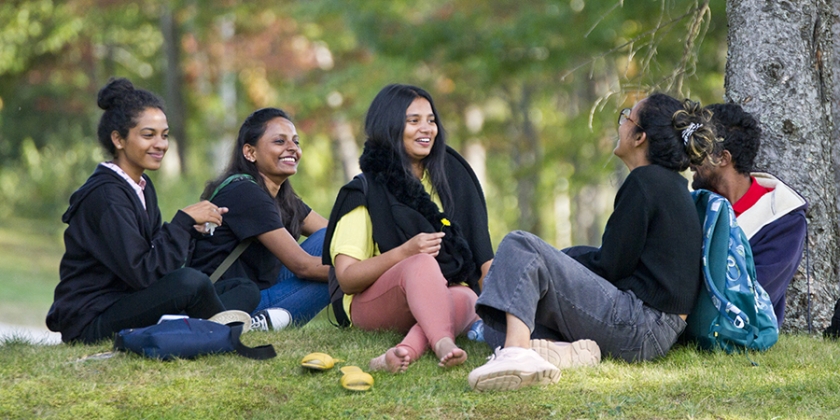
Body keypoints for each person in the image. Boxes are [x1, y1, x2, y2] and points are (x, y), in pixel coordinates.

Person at [468, 93, 718, 392]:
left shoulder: (646, 182)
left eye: (627, 117)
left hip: (643, 325)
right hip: (654, 333)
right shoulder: (669, 185)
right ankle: (562, 353)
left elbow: (611, 266)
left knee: (520, 244)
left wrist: (557, 262)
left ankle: (517, 356)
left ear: (640, 137)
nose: (621, 123)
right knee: (501, 323)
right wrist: (562, 262)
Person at [46, 78, 259, 344]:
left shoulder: (142, 187)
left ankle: (197, 327)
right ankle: (217, 332)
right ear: (119, 139)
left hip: (129, 300)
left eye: (164, 135)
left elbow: (155, 259)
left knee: (243, 287)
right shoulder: (106, 196)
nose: (160, 144)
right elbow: (143, 272)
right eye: (148, 135)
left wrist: (190, 231)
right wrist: (181, 223)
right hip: (92, 319)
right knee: (190, 283)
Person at [322, 84, 494, 373]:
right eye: (413, 121)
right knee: (421, 264)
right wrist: (405, 252)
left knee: (466, 296)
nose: (426, 128)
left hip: (444, 295)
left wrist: (499, 317)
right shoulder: (364, 190)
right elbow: (348, 278)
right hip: (377, 301)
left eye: (431, 120)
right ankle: (442, 341)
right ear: (389, 126)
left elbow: (482, 255)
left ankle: (403, 352)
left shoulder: (453, 177)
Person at [190, 108, 331, 330]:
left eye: (296, 141)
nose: (292, 148)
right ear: (250, 152)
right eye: (279, 141)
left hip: (257, 292)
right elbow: (303, 267)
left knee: (331, 240)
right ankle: (253, 324)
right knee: (340, 276)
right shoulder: (245, 193)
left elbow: (336, 234)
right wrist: (361, 272)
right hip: (229, 306)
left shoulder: (279, 194)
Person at [690, 103, 807, 328]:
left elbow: (756, 296)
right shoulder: (695, 205)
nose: (691, 159)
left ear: (723, 158)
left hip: (736, 333)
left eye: (701, 147)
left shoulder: (783, 219)